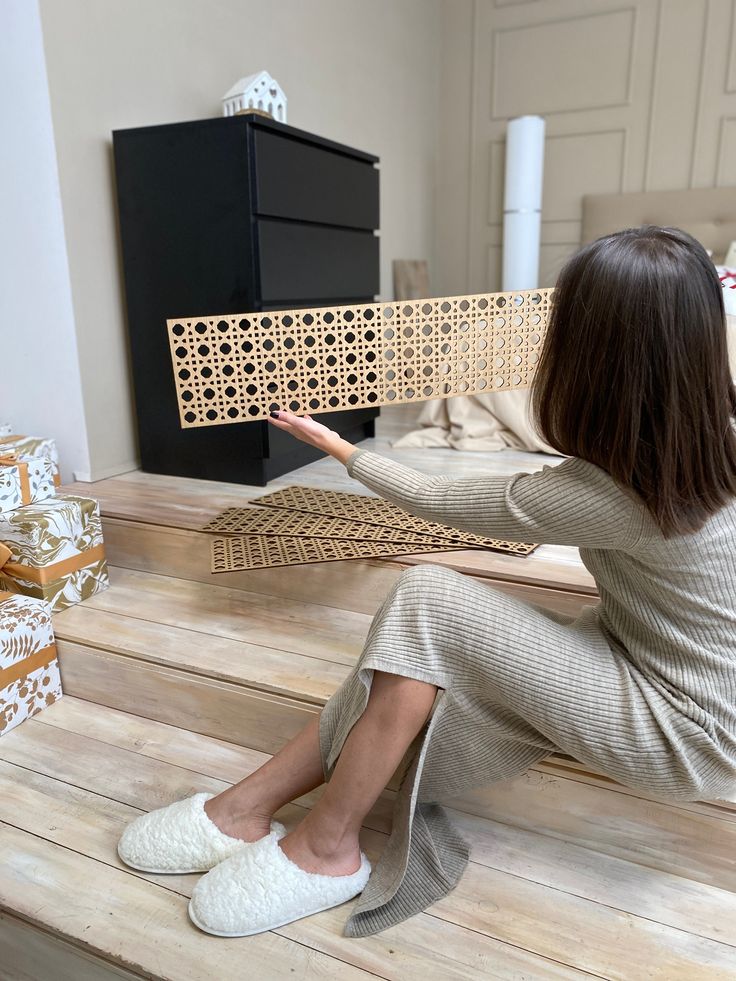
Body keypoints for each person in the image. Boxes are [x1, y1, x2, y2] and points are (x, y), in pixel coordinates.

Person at [118, 226, 736, 939]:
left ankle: (327, 846)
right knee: (410, 648)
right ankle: (246, 806)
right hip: (666, 658)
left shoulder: (619, 491)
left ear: (592, 352)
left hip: (687, 726)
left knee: (429, 601)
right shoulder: (704, 441)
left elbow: (445, 504)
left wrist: (343, 448)